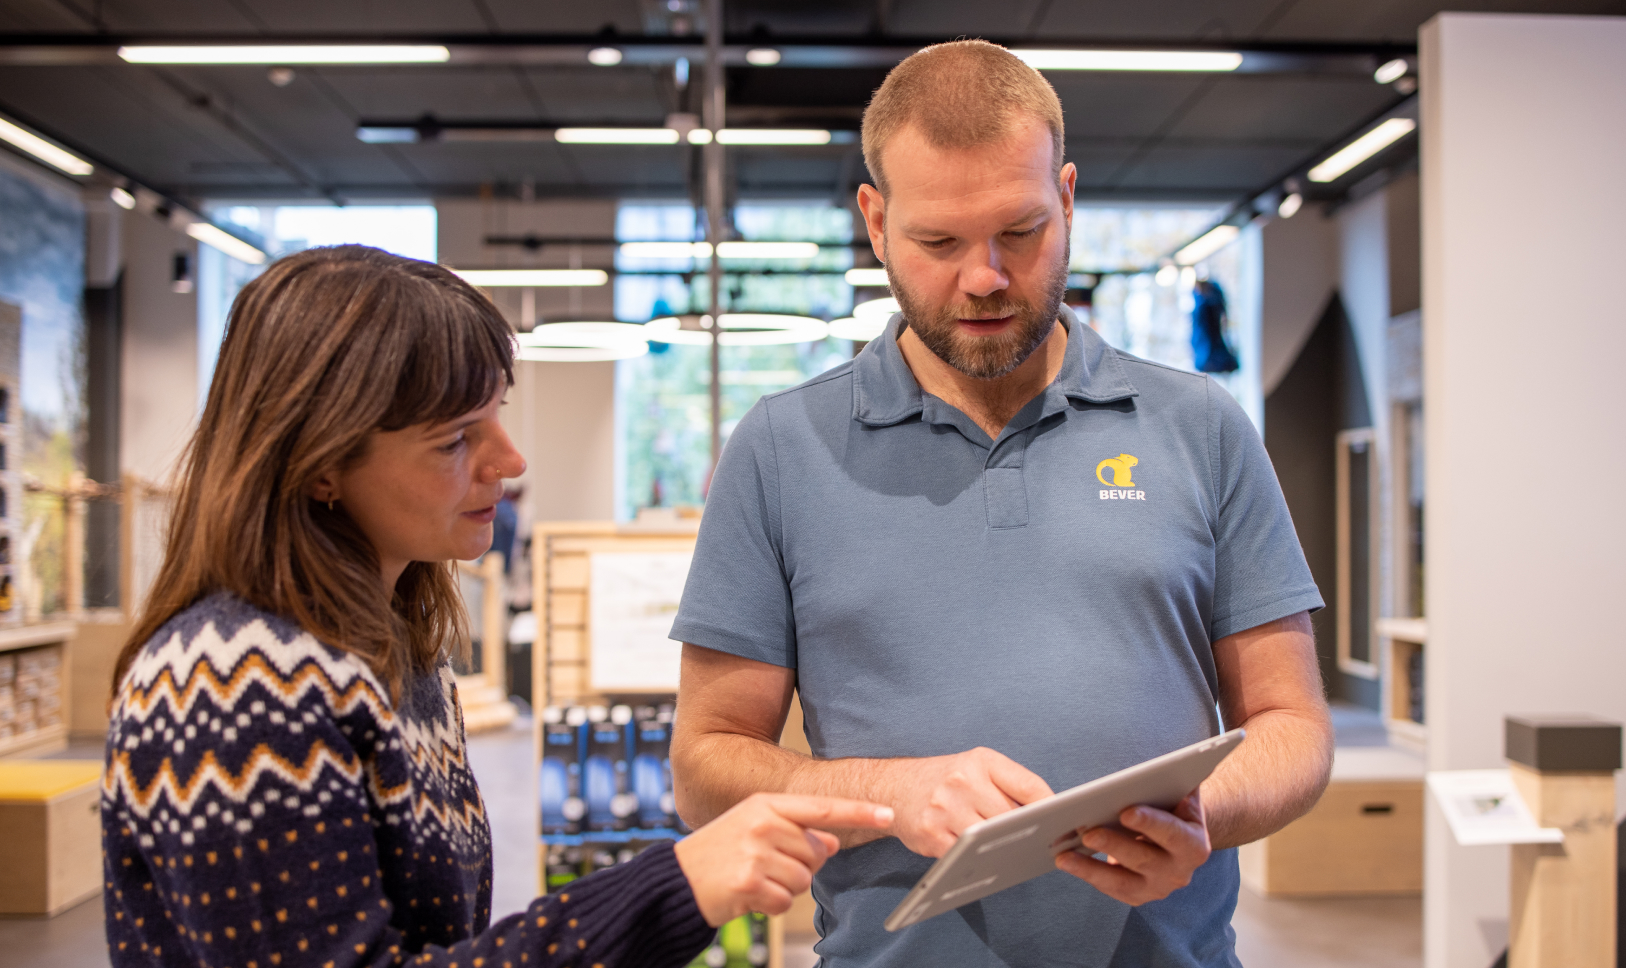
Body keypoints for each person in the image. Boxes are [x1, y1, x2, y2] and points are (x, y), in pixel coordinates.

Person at [669, 40, 1332, 967]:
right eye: (939, 242)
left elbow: (1294, 727)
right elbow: (706, 765)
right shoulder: (781, 449)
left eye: (1020, 232)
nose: (983, 277)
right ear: (876, 222)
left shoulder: (1201, 427)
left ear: (1067, 198)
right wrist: (889, 793)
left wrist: (1197, 813)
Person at [101, 245, 893, 968]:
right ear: (320, 466)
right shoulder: (235, 684)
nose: (509, 461)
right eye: (454, 440)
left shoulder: (392, 656)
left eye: (497, 415)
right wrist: (672, 887)